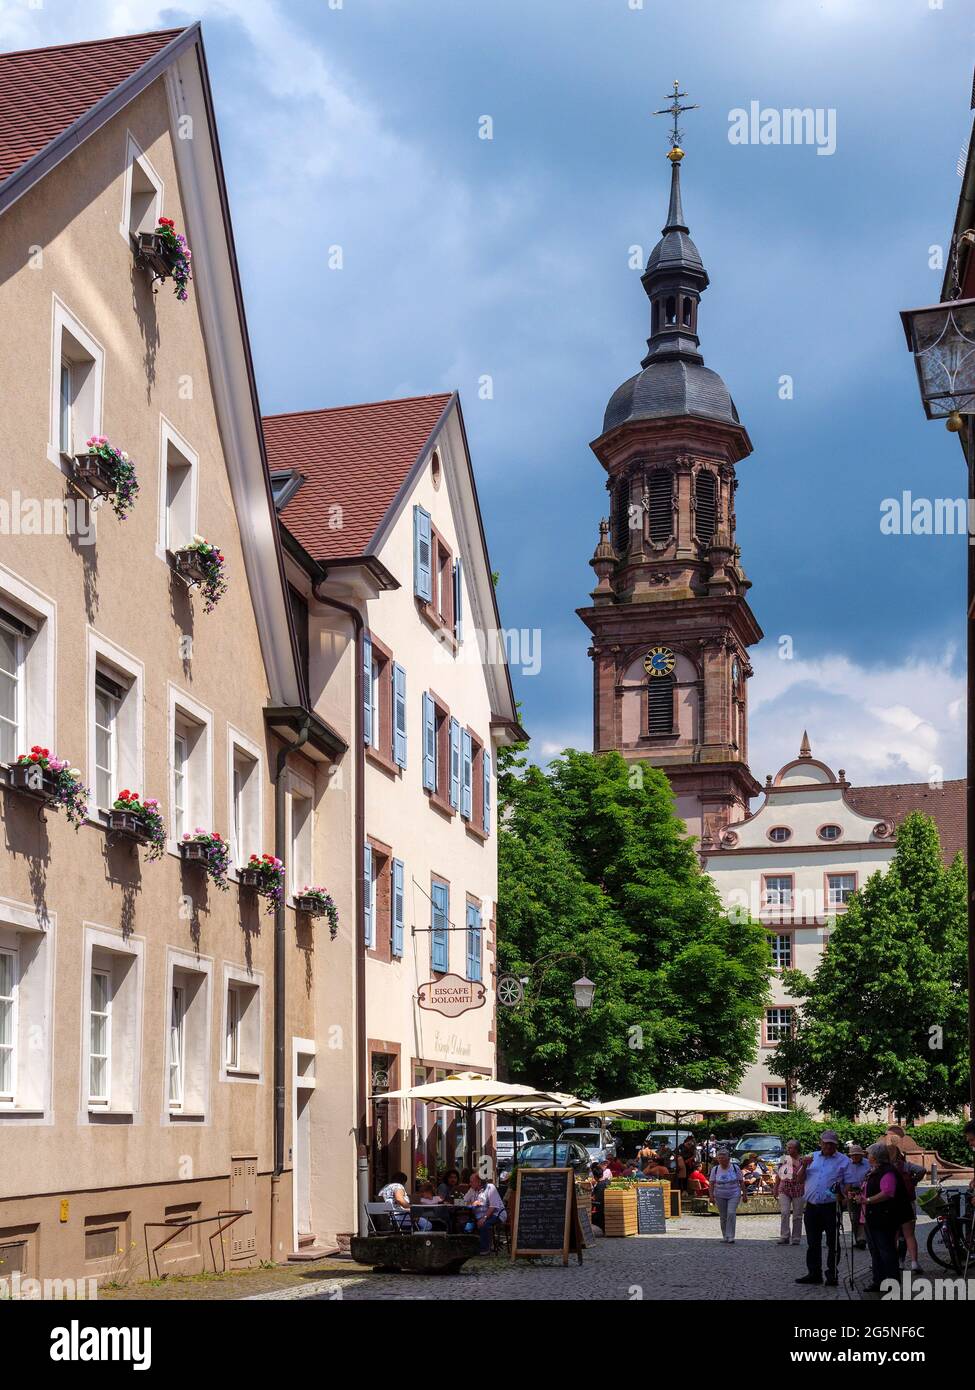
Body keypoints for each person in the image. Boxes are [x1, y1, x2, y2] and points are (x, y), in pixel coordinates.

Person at [795, 1131, 852, 1287]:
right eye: (825, 1143)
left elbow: (848, 1183)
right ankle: (814, 1273)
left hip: (831, 1206)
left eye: (831, 1143)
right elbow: (799, 1180)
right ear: (820, 1143)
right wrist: (804, 1165)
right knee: (813, 1242)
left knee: (833, 1242)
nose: (828, 1146)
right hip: (812, 1206)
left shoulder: (844, 1160)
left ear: (836, 1145)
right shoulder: (811, 1157)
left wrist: (845, 1196)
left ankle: (832, 1274)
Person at [860, 1141, 914, 1293]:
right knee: (875, 1251)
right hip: (872, 1217)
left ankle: (891, 1283)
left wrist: (868, 1200)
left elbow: (887, 1192)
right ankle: (878, 1281)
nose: (867, 1156)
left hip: (884, 1217)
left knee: (886, 1251)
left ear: (876, 1156)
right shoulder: (874, 1170)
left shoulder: (888, 1171)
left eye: (869, 1154)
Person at [889, 1144, 926, 1273]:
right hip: (907, 1203)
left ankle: (895, 1262)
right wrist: (914, 1180)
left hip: (891, 1205)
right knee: (909, 1235)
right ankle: (914, 1263)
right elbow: (922, 1169)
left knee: (893, 1235)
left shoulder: (886, 1168)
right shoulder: (905, 1165)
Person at [709, 1147, 747, 1243]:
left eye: (723, 1158)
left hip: (734, 1193)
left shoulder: (735, 1168)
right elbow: (712, 1183)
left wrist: (745, 1194)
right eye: (719, 1158)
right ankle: (725, 1235)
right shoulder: (715, 1169)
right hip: (719, 1194)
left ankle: (731, 1236)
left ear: (728, 1159)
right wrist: (711, 1196)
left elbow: (741, 1182)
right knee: (723, 1215)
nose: (721, 1160)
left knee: (731, 1213)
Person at [464, 1172, 506, 1254]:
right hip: (479, 1216)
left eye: (471, 1181)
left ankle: (485, 1249)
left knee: (484, 1224)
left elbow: (493, 1206)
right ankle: (471, 1247)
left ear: (479, 1182)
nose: (470, 1183)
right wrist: (472, 1203)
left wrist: (484, 1218)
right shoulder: (472, 1189)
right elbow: (464, 1201)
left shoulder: (490, 1187)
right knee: (465, 1225)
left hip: (496, 1214)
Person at [773, 1140, 806, 1246]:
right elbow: (778, 1175)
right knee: (785, 1212)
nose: (788, 1149)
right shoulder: (784, 1159)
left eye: (790, 1148)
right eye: (788, 1147)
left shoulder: (803, 1160)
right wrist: (775, 1188)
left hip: (798, 1189)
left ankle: (796, 1238)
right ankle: (784, 1236)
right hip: (784, 1189)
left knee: (797, 1215)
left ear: (797, 1149)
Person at [844, 1145, 869, 1250]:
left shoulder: (867, 1163)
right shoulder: (847, 1164)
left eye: (857, 1155)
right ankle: (857, 1239)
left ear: (861, 1155)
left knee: (863, 1216)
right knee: (854, 1216)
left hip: (865, 1191)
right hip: (851, 1191)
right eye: (853, 1155)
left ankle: (862, 1239)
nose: (854, 1157)